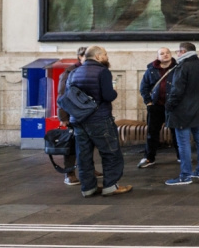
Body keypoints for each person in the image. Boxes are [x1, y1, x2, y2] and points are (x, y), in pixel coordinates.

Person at [67, 45, 131, 197]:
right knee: (110, 152)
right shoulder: (103, 71)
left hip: (78, 119)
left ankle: (88, 188)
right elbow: (108, 96)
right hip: (99, 118)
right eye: (105, 54)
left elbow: (69, 95)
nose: (107, 57)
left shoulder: (74, 72)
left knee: (83, 154)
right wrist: (114, 91)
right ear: (97, 56)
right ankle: (111, 186)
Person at [163, 41, 199, 186]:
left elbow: (177, 91)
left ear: (183, 52)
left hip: (183, 110)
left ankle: (185, 175)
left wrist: (169, 106)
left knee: (183, 143)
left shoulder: (182, 67)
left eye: (178, 51)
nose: (177, 54)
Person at [137, 47, 179, 169]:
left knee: (176, 132)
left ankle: (181, 156)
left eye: (167, 53)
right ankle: (149, 157)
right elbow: (144, 88)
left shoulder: (178, 69)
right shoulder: (151, 70)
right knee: (152, 133)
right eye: (162, 53)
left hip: (173, 107)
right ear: (158, 57)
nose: (165, 55)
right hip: (156, 106)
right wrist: (148, 102)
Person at [55, 46, 87, 186]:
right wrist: (63, 118)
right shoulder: (69, 72)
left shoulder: (90, 70)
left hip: (86, 114)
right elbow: (62, 96)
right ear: (80, 57)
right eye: (86, 56)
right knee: (71, 145)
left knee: (87, 145)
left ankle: (89, 170)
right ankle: (69, 174)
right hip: (73, 114)